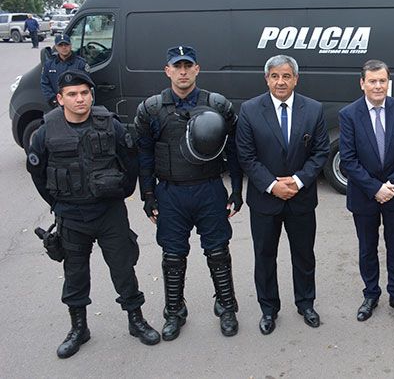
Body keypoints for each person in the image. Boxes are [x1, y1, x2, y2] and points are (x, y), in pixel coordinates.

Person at [26, 70, 160, 358]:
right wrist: (57, 203)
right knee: (75, 273)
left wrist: (120, 192)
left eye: (84, 93)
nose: (80, 99)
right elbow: (37, 172)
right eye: (72, 94)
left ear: (91, 95)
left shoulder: (110, 125)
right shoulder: (46, 131)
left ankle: (136, 320)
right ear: (60, 98)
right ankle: (79, 328)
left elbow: (131, 161)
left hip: (109, 213)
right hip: (71, 216)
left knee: (123, 268)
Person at [134, 46, 243, 340]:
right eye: (177, 67)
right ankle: (174, 312)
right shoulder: (152, 109)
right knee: (173, 256)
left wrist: (237, 190)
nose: (182, 72)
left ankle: (227, 307)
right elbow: (144, 154)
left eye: (188, 66)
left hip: (209, 189)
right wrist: (147, 195)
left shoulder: (217, 105)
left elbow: (235, 149)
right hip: (170, 192)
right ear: (167, 71)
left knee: (218, 252)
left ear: (197, 69)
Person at [236, 55, 330, 335]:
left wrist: (299, 181)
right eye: (275, 76)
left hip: (301, 199)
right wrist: (271, 185)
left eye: (286, 76)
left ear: (295, 79)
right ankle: (268, 309)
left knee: (304, 255)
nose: (280, 82)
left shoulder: (313, 109)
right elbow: (246, 155)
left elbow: (321, 152)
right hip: (265, 200)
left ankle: (306, 304)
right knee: (265, 257)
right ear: (266, 79)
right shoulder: (250, 110)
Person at [339, 59, 394, 322]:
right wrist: (375, 189)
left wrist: (391, 185)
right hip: (364, 196)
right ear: (362, 83)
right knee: (367, 248)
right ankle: (371, 294)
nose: (377, 86)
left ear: (388, 82)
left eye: (382, 81)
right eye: (372, 81)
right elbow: (348, 159)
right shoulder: (349, 114)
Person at [40, 34, 89, 108]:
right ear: (56, 47)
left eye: (66, 44)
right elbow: (45, 84)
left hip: (76, 104)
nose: (64, 47)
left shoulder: (80, 64)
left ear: (70, 46)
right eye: (60, 45)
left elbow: (85, 85)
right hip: (56, 105)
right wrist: (53, 100)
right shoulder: (49, 65)